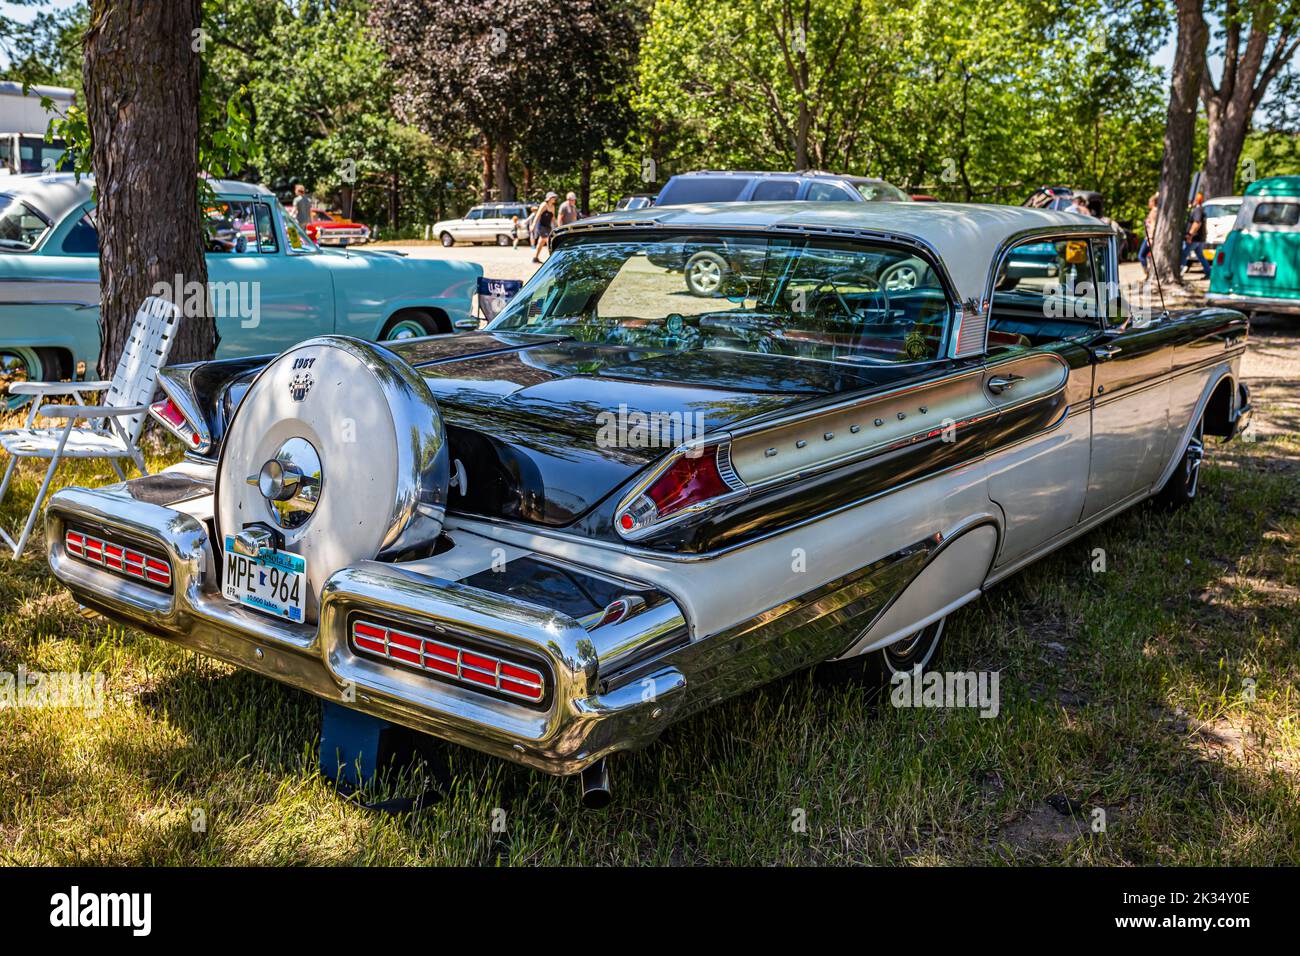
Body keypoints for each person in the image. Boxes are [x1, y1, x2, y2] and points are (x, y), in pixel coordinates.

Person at [1183, 192, 1209, 276]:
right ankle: (1209, 273)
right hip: (1199, 238)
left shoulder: (1197, 210)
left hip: (1194, 238)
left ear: (1196, 200)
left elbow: (1197, 223)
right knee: (1200, 256)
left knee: (1183, 254)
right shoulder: (1201, 209)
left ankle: (1179, 270)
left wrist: (1190, 235)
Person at [532, 193, 557, 263]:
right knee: (548, 240)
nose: (555, 199)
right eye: (553, 197)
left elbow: (553, 217)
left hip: (548, 226)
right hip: (541, 226)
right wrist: (533, 224)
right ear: (549, 198)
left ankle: (535, 258)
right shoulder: (544, 205)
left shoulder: (552, 207)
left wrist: (556, 225)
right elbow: (538, 215)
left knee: (541, 242)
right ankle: (552, 259)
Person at [1138, 193, 1158, 278]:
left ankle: (1146, 274)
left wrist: (1150, 238)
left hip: (1149, 237)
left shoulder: (1154, 212)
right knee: (1147, 256)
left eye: (1149, 202)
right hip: (1149, 237)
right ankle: (1148, 273)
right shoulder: (1154, 211)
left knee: (1141, 255)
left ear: (1153, 202)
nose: (1148, 204)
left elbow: (1153, 224)